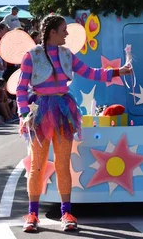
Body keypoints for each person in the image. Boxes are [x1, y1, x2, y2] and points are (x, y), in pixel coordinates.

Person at [16, 14, 133, 233]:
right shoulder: (32, 56)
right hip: (40, 113)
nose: (67, 34)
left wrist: (119, 71)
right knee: (37, 165)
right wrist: (24, 114)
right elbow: (21, 89)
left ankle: (66, 212)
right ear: (52, 32)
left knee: (62, 164)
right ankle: (32, 214)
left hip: (63, 111)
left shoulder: (67, 55)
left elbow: (91, 73)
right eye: (63, 30)